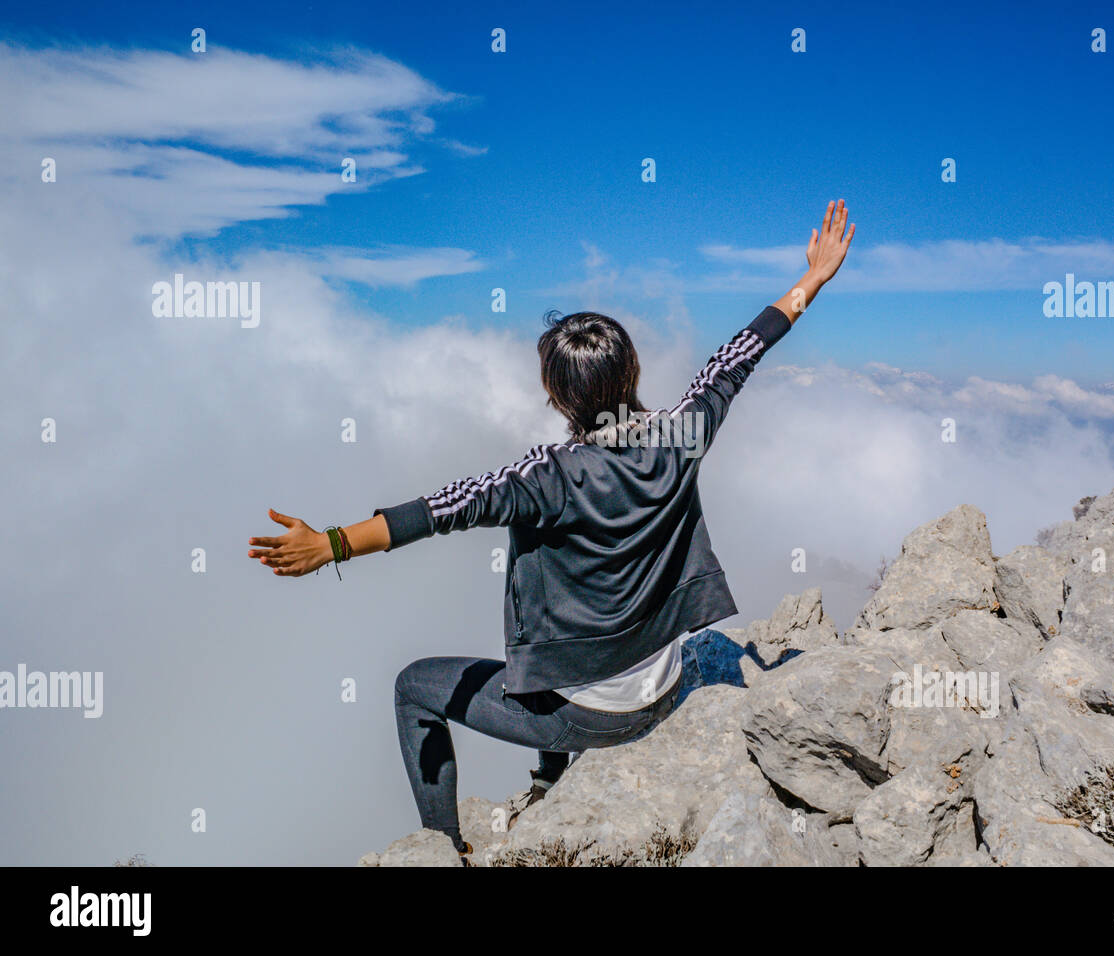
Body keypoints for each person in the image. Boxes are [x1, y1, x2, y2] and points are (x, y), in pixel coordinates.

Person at [247, 200, 856, 859]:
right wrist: (813, 279)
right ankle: (546, 778)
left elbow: (439, 510)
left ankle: (443, 848)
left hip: (591, 715)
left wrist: (332, 544)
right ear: (632, 374)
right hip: (667, 683)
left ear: (558, 397)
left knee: (413, 687)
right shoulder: (683, 435)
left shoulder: (546, 477)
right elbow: (738, 356)